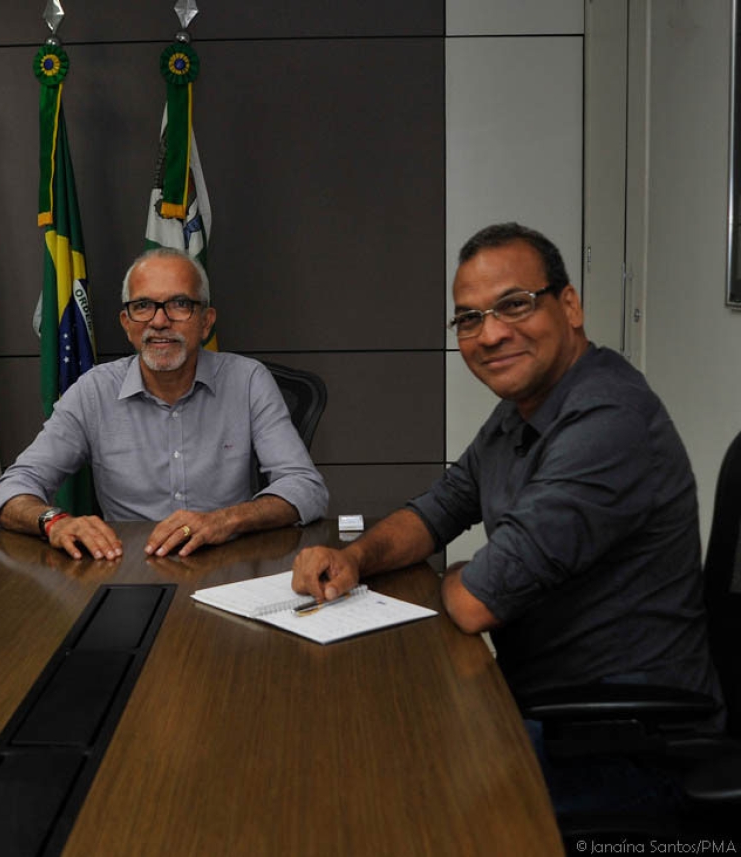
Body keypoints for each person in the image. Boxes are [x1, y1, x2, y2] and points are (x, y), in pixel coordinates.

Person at [292, 222, 722, 814]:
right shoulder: (524, 408)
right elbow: (438, 509)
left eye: (514, 304)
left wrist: (462, 575)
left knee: (385, 802)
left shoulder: (607, 420)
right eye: (469, 318)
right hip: (542, 699)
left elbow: (474, 604)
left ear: (568, 305)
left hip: (623, 740)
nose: (490, 334)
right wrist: (353, 558)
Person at [0, 247, 328, 560]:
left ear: (206, 321)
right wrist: (54, 521)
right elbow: (8, 492)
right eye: (143, 306)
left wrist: (226, 520)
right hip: (126, 569)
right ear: (127, 324)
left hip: (228, 567)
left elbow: (306, 488)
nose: (159, 321)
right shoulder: (93, 391)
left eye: (179, 304)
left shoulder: (248, 380)